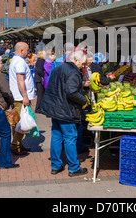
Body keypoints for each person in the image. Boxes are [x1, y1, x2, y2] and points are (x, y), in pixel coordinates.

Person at [40, 49, 89, 177]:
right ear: (75, 60)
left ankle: (56, 166)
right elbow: (71, 92)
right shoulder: (73, 72)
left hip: (55, 108)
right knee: (70, 138)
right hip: (66, 110)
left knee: (56, 137)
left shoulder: (58, 68)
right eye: (82, 63)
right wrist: (84, 100)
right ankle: (73, 167)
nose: (83, 66)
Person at [8, 42, 36, 155]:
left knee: (17, 121)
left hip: (17, 96)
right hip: (20, 97)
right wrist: (25, 96)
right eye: (27, 50)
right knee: (22, 122)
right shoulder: (20, 62)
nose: (28, 52)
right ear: (21, 51)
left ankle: (18, 144)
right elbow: (20, 80)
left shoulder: (15, 60)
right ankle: (15, 145)